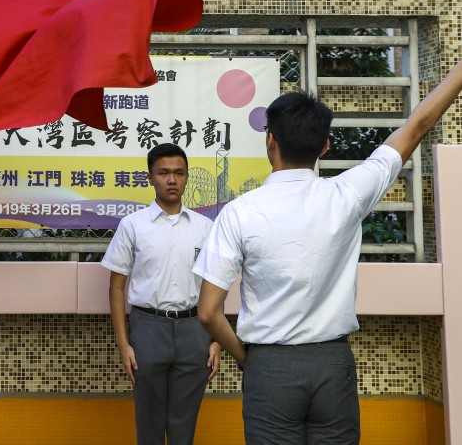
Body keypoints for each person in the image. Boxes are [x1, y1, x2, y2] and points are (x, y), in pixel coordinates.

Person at [195, 58, 462, 445]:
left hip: (270, 365)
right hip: (333, 364)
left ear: (270, 141)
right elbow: (416, 126)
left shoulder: (240, 212)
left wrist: (247, 359)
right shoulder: (347, 194)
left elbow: (207, 311)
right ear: (325, 145)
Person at [101, 142, 221, 445]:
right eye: (164, 173)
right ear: (150, 177)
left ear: (187, 177)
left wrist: (217, 339)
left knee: (184, 426)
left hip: (195, 330)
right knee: (149, 423)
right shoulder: (132, 226)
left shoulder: (205, 228)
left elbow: (216, 285)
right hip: (148, 329)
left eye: (179, 173)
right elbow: (117, 286)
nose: (172, 179)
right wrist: (123, 343)